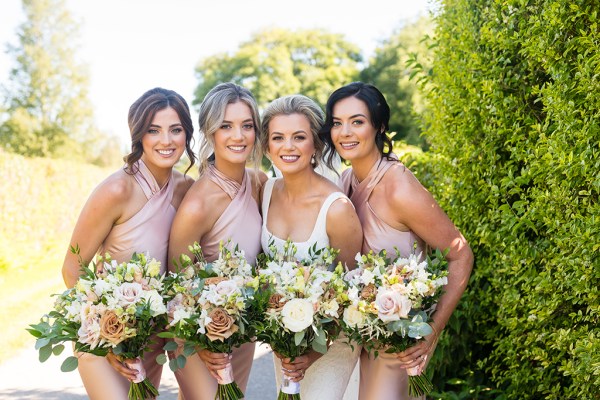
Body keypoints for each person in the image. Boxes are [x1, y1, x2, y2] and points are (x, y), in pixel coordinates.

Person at [320, 81, 474, 400]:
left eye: (357, 121)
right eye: (337, 123)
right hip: (354, 342)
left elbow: (460, 254)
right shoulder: (345, 182)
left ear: (380, 126)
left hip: (396, 349)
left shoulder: (398, 187)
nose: (345, 132)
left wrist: (430, 332)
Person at [61, 87, 196, 399]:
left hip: (150, 335)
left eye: (175, 130)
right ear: (138, 135)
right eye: (154, 130)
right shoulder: (117, 190)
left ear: (187, 135)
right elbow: (73, 268)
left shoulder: (187, 189)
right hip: (103, 335)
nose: (166, 141)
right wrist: (109, 335)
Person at [167, 82, 267, 399]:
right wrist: (201, 340)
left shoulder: (259, 182)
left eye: (247, 126)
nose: (238, 136)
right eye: (226, 126)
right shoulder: (198, 203)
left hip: (240, 328)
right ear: (210, 132)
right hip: (196, 335)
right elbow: (176, 282)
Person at [260, 94, 363, 399]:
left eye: (299, 137)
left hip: (330, 346)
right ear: (267, 146)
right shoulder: (265, 191)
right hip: (287, 345)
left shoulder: (337, 209)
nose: (287, 147)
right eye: (278, 137)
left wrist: (315, 352)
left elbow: (353, 290)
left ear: (316, 145)